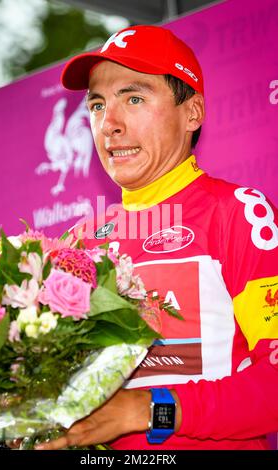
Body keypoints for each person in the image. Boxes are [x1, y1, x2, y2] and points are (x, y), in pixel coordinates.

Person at [36, 24, 278, 450]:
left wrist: (147, 408)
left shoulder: (238, 213)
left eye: (133, 98)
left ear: (192, 113)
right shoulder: (76, 244)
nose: (108, 124)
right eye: (96, 105)